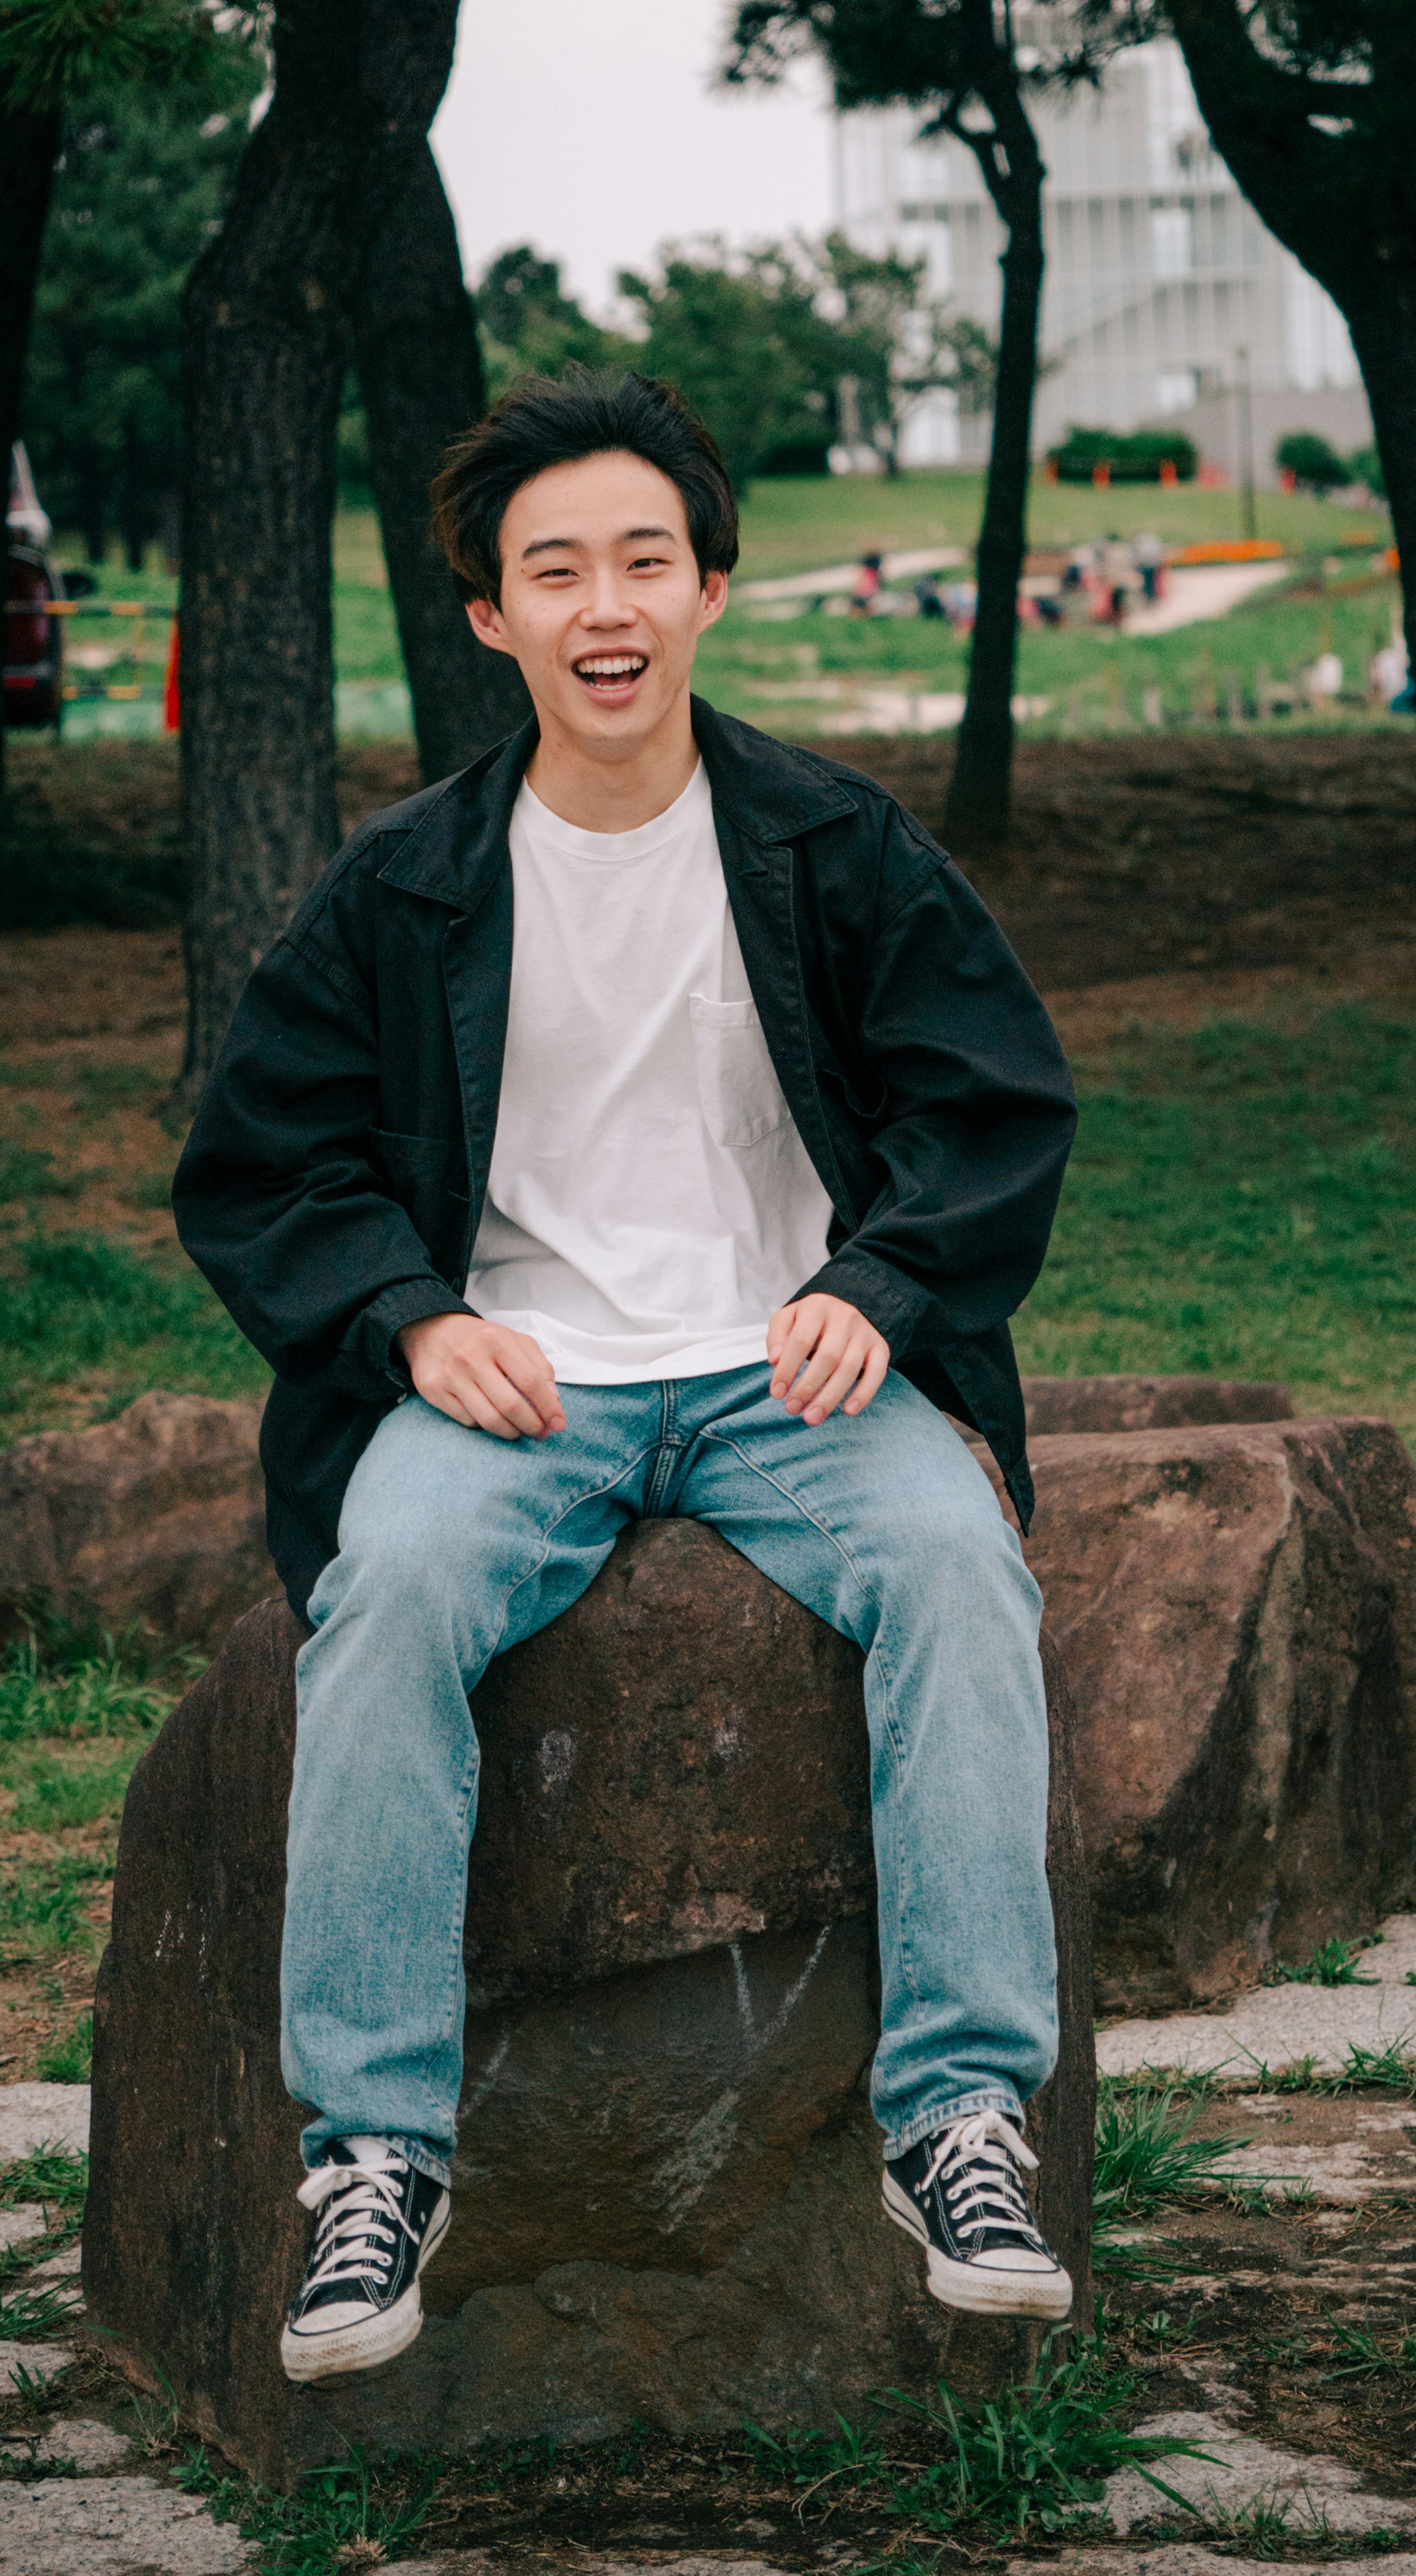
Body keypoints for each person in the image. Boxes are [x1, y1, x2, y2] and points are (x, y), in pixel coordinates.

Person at [173, 370, 1079, 2389]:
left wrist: (889, 1282)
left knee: (958, 1571)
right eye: (552, 568)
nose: (607, 605)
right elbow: (262, 1161)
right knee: (388, 1591)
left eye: (644, 561)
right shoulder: (405, 886)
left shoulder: (835, 847)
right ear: (491, 618)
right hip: (518, 1383)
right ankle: (375, 2160)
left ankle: (956, 2120)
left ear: (711, 587)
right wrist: (414, 1316)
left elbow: (991, 1099)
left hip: (790, 1372)